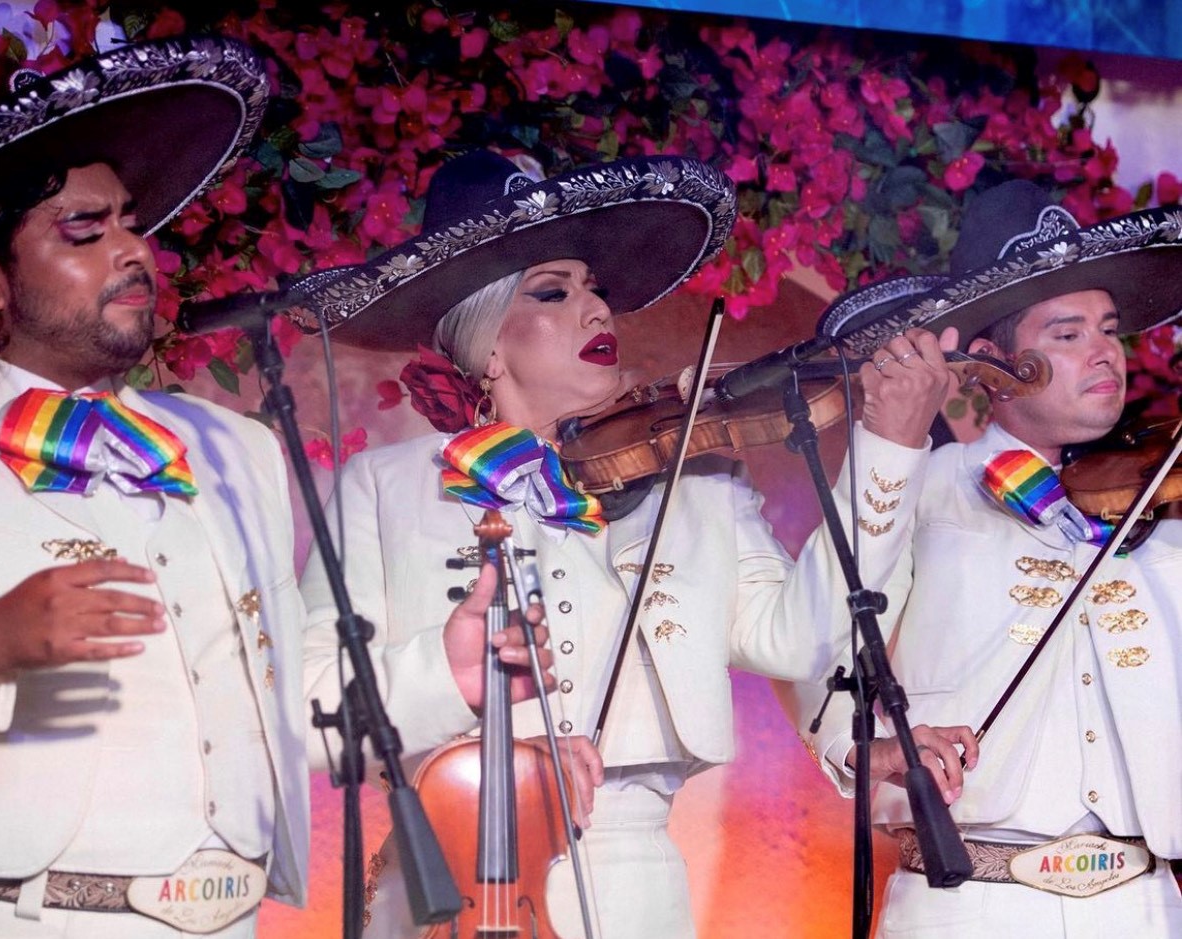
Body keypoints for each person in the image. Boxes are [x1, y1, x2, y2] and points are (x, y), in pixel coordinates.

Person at [298, 148, 957, 937]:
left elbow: (803, 636)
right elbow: (308, 707)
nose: (597, 310)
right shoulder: (386, 486)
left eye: (597, 290)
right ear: (488, 347)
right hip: (453, 872)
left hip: (632, 878)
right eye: (554, 291)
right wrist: (448, 676)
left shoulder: (689, 475)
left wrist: (888, 448)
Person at [0, 38, 311, 938]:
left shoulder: (238, 448)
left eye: (130, 220)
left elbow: (289, 682)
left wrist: (448, 674)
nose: (135, 248)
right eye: (86, 229)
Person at [788, 179, 1182, 937]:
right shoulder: (923, 486)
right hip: (970, 903)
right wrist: (863, 745)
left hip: (1145, 903)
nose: (1104, 351)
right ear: (990, 363)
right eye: (1067, 334)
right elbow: (818, 641)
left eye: (1107, 329)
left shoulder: (1156, 502)